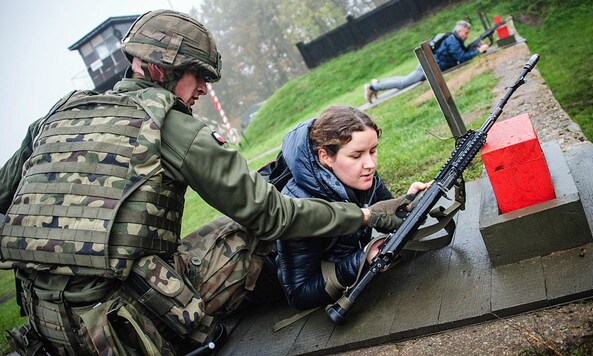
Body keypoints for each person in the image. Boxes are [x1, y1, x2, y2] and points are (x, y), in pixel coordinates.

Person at [0, 10, 407, 356]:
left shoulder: (56, 116)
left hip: (46, 321)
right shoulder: (175, 128)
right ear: (161, 70)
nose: (204, 88)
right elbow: (272, 215)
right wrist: (365, 214)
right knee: (244, 233)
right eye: (198, 76)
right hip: (121, 330)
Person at [274, 105, 429, 311]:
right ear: (325, 157)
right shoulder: (297, 205)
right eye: (356, 156)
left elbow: (390, 225)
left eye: (373, 151)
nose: (370, 164)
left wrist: (408, 204)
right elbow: (299, 294)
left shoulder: (361, 176)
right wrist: (363, 260)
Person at [363, 20, 490, 103]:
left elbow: (461, 54)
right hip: (428, 67)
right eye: (466, 33)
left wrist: (476, 47)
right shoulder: (453, 40)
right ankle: (372, 87)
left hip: (431, 66)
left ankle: (378, 83)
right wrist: (478, 51)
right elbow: (461, 58)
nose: (467, 35)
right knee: (403, 83)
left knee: (404, 79)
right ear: (459, 31)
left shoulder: (454, 39)